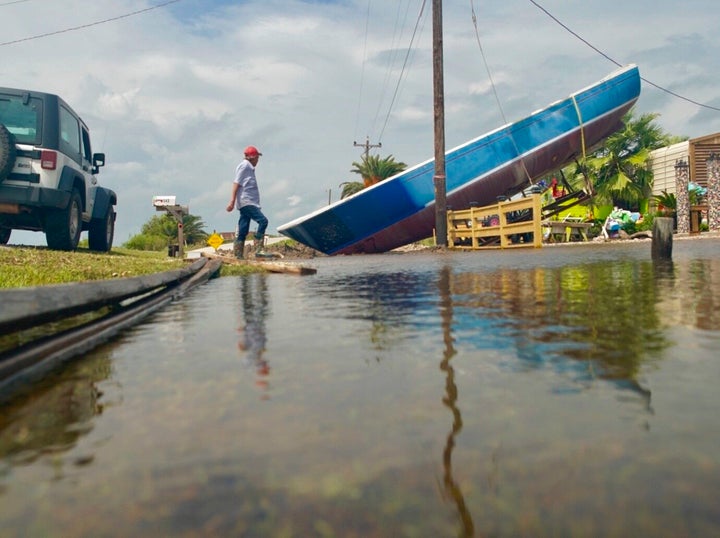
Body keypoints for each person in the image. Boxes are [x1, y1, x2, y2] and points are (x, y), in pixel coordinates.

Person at [226, 145, 269, 258]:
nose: (258, 161)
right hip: (247, 202)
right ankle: (259, 249)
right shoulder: (245, 166)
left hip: (247, 202)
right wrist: (232, 201)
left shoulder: (248, 167)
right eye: (257, 158)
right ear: (253, 157)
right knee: (263, 221)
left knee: (243, 229)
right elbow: (236, 183)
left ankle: (238, 256)